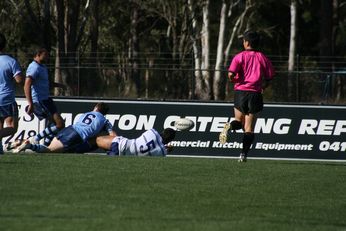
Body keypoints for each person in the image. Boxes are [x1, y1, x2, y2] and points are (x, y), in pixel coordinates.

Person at [219, 30, 275, 162]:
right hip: (255, 94)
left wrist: (235, 81)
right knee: (249, 128)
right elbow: (269, 77)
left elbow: (231, 74)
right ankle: (243, 155)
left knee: (238, 121)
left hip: (240, 92)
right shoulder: (262, 57)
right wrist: (263, 86)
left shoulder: (239, 57)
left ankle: (229, 127)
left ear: (247, 42)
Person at [14, 102, 116, 153]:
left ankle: (23, 142)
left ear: (96, 108)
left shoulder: (86, 113)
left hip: (69, 129)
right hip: (76, 136)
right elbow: (113, 136)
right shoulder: (105, 121)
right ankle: (29, 145)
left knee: (49, 148)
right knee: (49, 151)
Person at [24, 48, 65, 146]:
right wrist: (30, 103)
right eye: (45, 55)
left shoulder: (42, 67)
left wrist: (60, 85)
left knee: (55, 124)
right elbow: (27, 85)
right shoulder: (34, 67)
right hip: (39, 100)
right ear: (38, 54)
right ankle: (36, 139)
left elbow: (46, 83)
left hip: (46, 99)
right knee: (59, 124)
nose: (47, 57)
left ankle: (45, 146)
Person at [0, 33, 24, 154]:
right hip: (6, 99)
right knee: (11, 127)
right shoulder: (10, 61)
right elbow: (19, 80)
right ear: (4, 46)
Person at [96, 128, 176, 156]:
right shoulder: (162, 152)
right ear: (170, 140)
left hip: (121, 144)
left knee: (97, 140)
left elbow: (150, 144)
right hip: (122, 157)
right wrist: (167, 149)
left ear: (162, 132)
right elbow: (156, 149)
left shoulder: (152, 132)